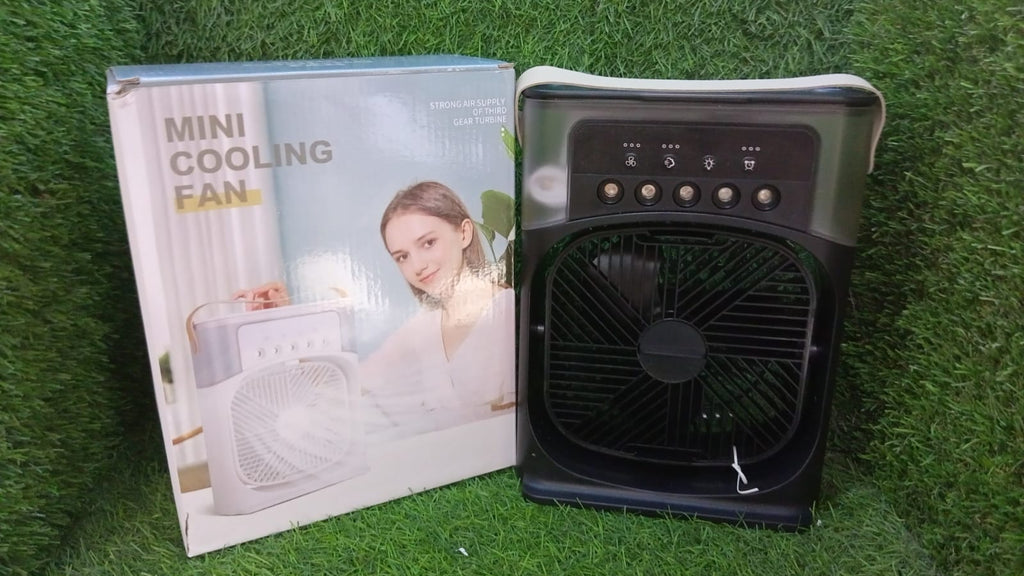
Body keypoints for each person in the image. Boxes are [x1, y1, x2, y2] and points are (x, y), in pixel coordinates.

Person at [235, 181, 515, 437]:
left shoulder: (509, 312)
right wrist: (288, 320)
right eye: (402, 257)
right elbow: (347, 384)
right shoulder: (423, 327)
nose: (418, 266)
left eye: (428, 243)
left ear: (464, 233)